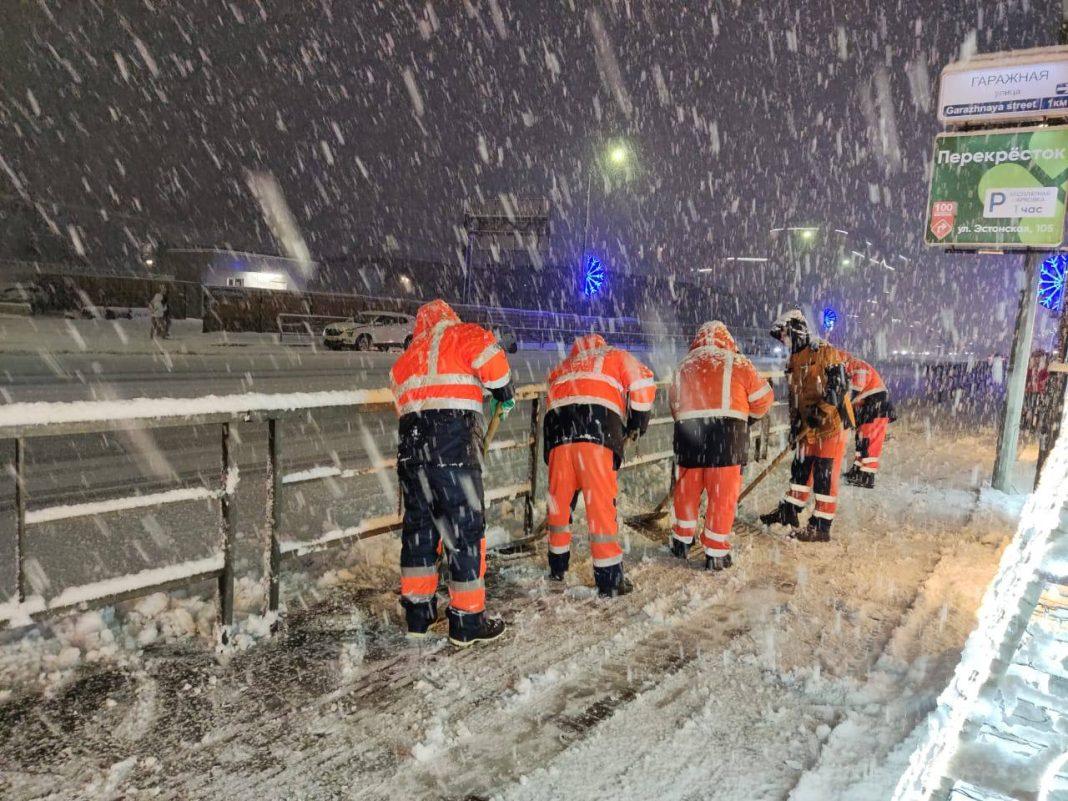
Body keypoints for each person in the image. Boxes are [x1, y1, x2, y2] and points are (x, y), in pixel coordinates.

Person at [389, 299, 514, 647]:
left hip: (412, 451)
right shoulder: (463, 335)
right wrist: (503, 391)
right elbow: (497, 369)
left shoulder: (406, 358)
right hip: (453, 447)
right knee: (464, 530)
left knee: (419, 531)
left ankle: (419, 616)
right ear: (449, 318)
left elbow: (403, 401)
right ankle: (467, 621)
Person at [543, 333, 656, 596]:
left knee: (559, 506)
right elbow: (642, 382)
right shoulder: (614, 356)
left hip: (559, 435)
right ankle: (609, 580)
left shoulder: (564, 367)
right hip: (597, 432)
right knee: (600, 506)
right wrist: (639, 421)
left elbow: (549, 399)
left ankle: (557, 567)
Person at [668, 321, 774, 570]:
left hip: (689, 435)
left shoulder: (684, 365)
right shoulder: (738, 362)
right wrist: (747, 417)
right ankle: (715, 552)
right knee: (722, 495)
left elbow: (674, 405)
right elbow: (764, 399)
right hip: (727, 437)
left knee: (686, 491)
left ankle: (681, 540)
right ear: (727, 340)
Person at [759, 309, 853, 542]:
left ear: (797, 332)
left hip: (832, 425)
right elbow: (795, 399)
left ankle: (821, 526)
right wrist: (795, 425)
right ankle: (789, 511)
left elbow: (839, 386)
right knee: (801, 469)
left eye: (785, 336)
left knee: (824, 474)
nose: (784, 341)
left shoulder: (825, 352)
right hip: (808, 426)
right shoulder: (793, 360)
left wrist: (821, 413)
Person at [843, 355, 896, 488]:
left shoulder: (858, 367)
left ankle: (866, 476)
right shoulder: (851, 367)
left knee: (870, 442)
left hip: (875, 408)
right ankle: (858, 470)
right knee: (862, 441)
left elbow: (852, 393)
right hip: (868, 408)